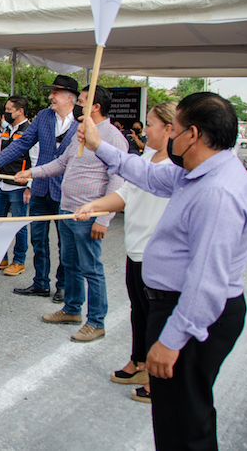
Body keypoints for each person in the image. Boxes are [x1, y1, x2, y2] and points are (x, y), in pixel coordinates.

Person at [77, 92, 247, 450]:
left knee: (183, 421)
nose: (167, 137)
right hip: (178, 305)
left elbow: (207, 282)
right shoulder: (201, 172)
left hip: (189, 311)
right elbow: (150, 176)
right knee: (180, 412)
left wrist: (172, 341)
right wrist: (101, 146)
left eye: (173, 129)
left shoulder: (217, 192)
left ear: (192, 135)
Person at [74, 101, 177, 403]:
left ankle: (160, 380)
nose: (144, 129)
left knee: (158, 317)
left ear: (169, 129)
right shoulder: (148, 156)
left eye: (151, 123)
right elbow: (127, 193)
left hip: (156, 255)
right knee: (140, 311)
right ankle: (140, 362)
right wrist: (94, 206)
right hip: (135, 249)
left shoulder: (176, 167)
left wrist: (97, 144)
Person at [14, 85, 128, 342]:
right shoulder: (80, 132)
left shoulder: (111, 136)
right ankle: (72, 309)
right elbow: (61, 164)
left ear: (95, 107)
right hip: (68, 211)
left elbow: (117, 180)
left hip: (89, 216)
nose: (79, 104)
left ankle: (96, 322)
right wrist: (32, 173)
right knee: (72, 265)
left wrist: (103, 218)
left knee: (91, 269)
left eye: (84, 101)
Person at [0, 75, 79, 301]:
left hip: (66, 191)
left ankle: (63, 286)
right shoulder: (44, 117)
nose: (50, 97)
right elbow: (23, 143)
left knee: (65, 242)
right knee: (38, 239)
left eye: (55, 93)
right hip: (40, 188)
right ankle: (41, 283)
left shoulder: (82, 121)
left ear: (69, 97)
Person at [0, 95, 32, 276]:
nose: (5, 113)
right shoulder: (5, 130)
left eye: (9, 110)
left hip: (18, 187)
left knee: (18, 226)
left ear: (20, 111)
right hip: (2, 184)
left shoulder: (30, 131)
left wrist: (30, 186)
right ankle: (2, 257)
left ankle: (19, 261)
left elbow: (36, 161)